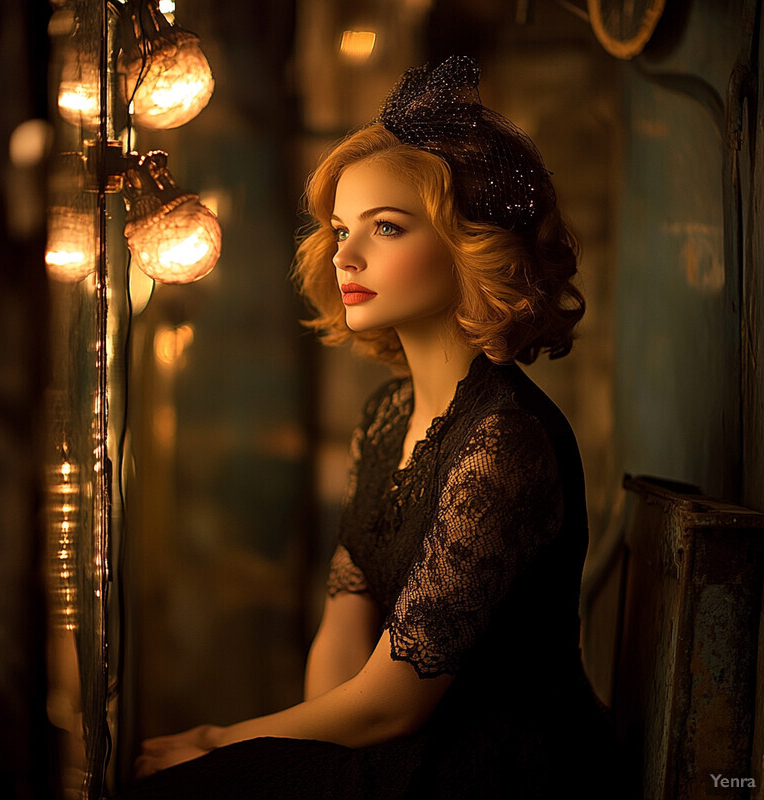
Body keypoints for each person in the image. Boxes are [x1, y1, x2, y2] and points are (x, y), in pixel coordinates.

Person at [119, 55, 622, 799]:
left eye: (385, 227)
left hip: (502, 770)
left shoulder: (503, 443)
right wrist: (292, 739)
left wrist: (219, 741)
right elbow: (344, 633)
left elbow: (390, 703)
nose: (344, 254)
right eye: (339, 228)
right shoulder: (385, 416)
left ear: (470, 244)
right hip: (398, 742)